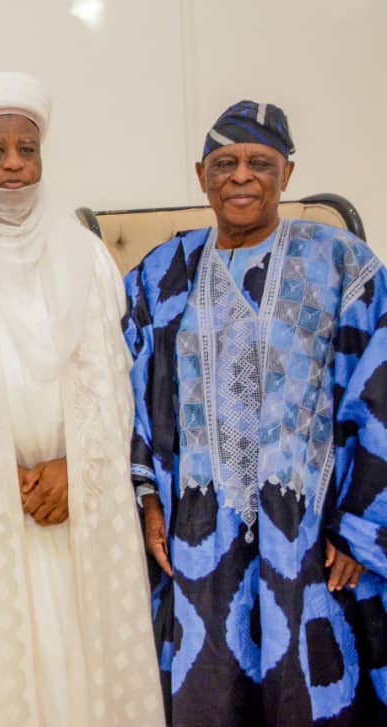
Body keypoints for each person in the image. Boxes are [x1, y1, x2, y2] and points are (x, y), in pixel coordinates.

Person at [0, 71, 164, 726]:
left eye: (27, 148)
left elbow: (115, 386)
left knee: (87, 673)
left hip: (79, 508)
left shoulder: (85, 253)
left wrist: (79, 466)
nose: (14, 163)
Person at [124, 100, 387, 726]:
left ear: (287, 175)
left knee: (311, 687)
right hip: (196, 534)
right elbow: (130, 389)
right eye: (225, 163)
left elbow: (380, 396)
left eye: (259, 163)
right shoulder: (161, 273)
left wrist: (359, 527)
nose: (241, 177)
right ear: (201, 175)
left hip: (312, 533)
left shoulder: (343, 264)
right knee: (206, 691)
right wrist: (148, 499)